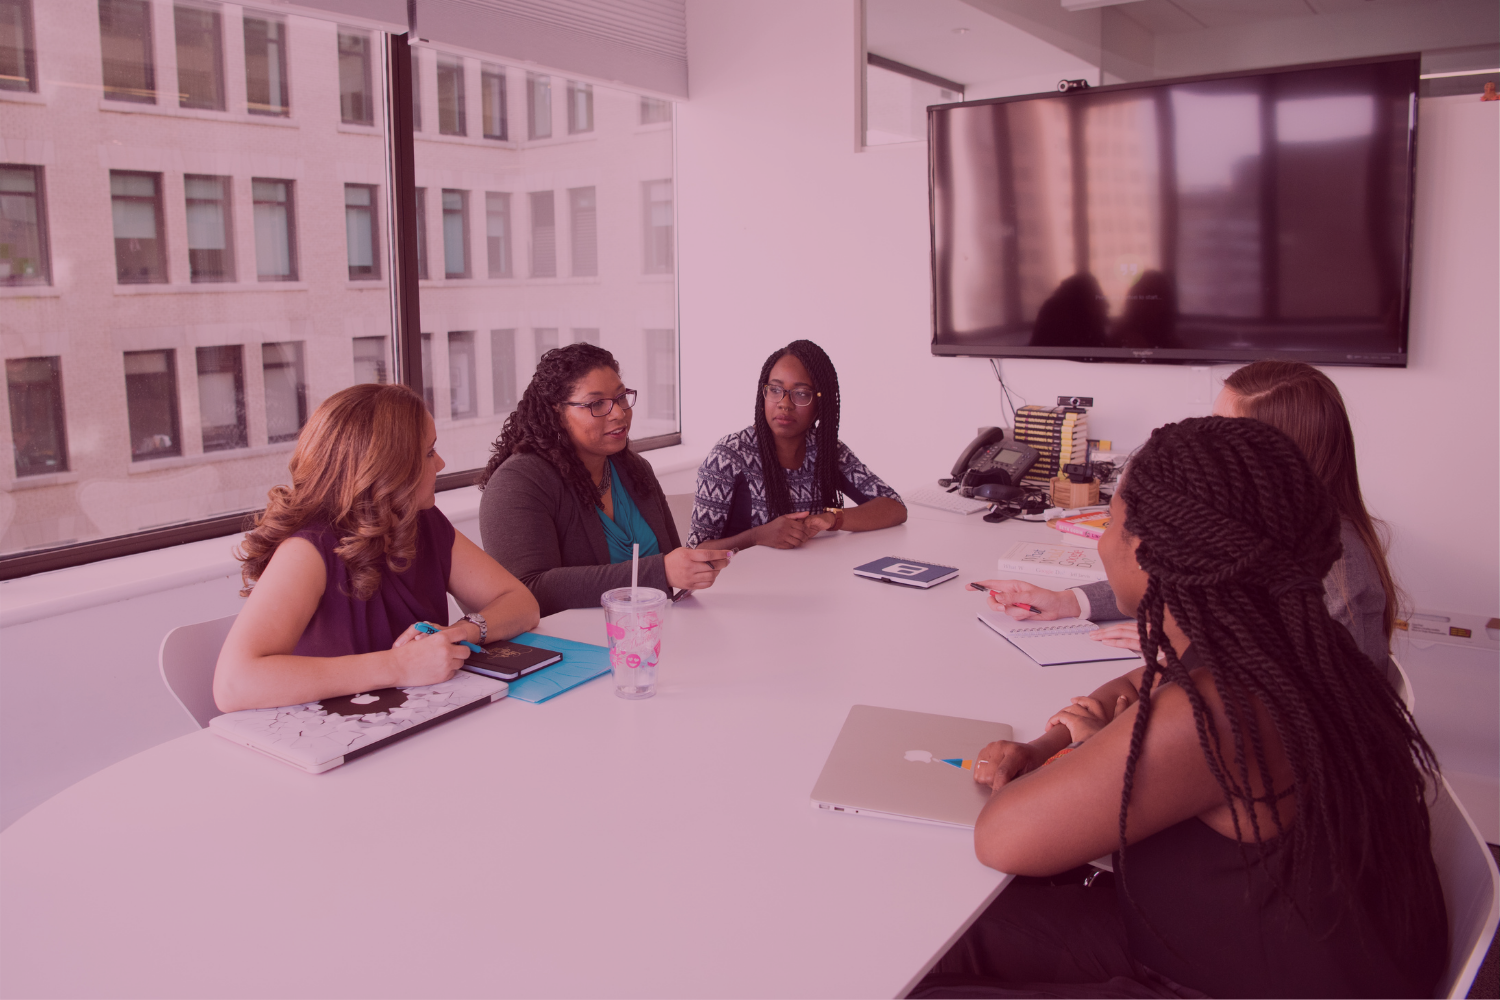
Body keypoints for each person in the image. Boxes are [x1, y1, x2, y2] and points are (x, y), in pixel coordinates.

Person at [915, 416, 1446, 999]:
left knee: (918, 972)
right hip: (1250, 949)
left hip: (1221, 983)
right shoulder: (1295, 647)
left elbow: (1003, 836)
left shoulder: (1215, 714)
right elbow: (1147, 679)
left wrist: (1088, 749)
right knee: (929, 936)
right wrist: (1064, 739)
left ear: (1142, 552)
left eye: (1109, 522)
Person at [976, 360, 1399, 678]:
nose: (1201, 443)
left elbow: (1336, 697)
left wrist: (1189, 654)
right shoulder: (1257, 528)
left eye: (1221, 430)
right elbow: (1185, 573)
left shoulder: (1339, 567)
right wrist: (1071, 601)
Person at [214, 383, 540, 712]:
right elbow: (233, 684)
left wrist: (461, 634)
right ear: (386, 470)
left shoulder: (420, 521)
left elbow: (521, 604)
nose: (440, 464)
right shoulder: (308, 550)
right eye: (428, 453)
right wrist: (400, 666)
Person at [478, 343, 728, 617]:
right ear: (556, 414)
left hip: (651, 633)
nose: (619, 413)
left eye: (621, 397)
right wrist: (660, 572)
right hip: (572, 649)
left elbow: (670, 564)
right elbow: (529, 590)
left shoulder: (634, 469)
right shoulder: (518, 483)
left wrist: (687, 571)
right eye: (597, 403)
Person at [688, 339, 906, 550]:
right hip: (744, 583)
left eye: (801, 394)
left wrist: (831, 519)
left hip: (810, 577)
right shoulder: (729, 456)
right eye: (775, 390)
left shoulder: (826, 450)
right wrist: (756, 537)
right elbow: (696, 550)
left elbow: (894, 507)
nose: (784, 404)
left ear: (821, 403)